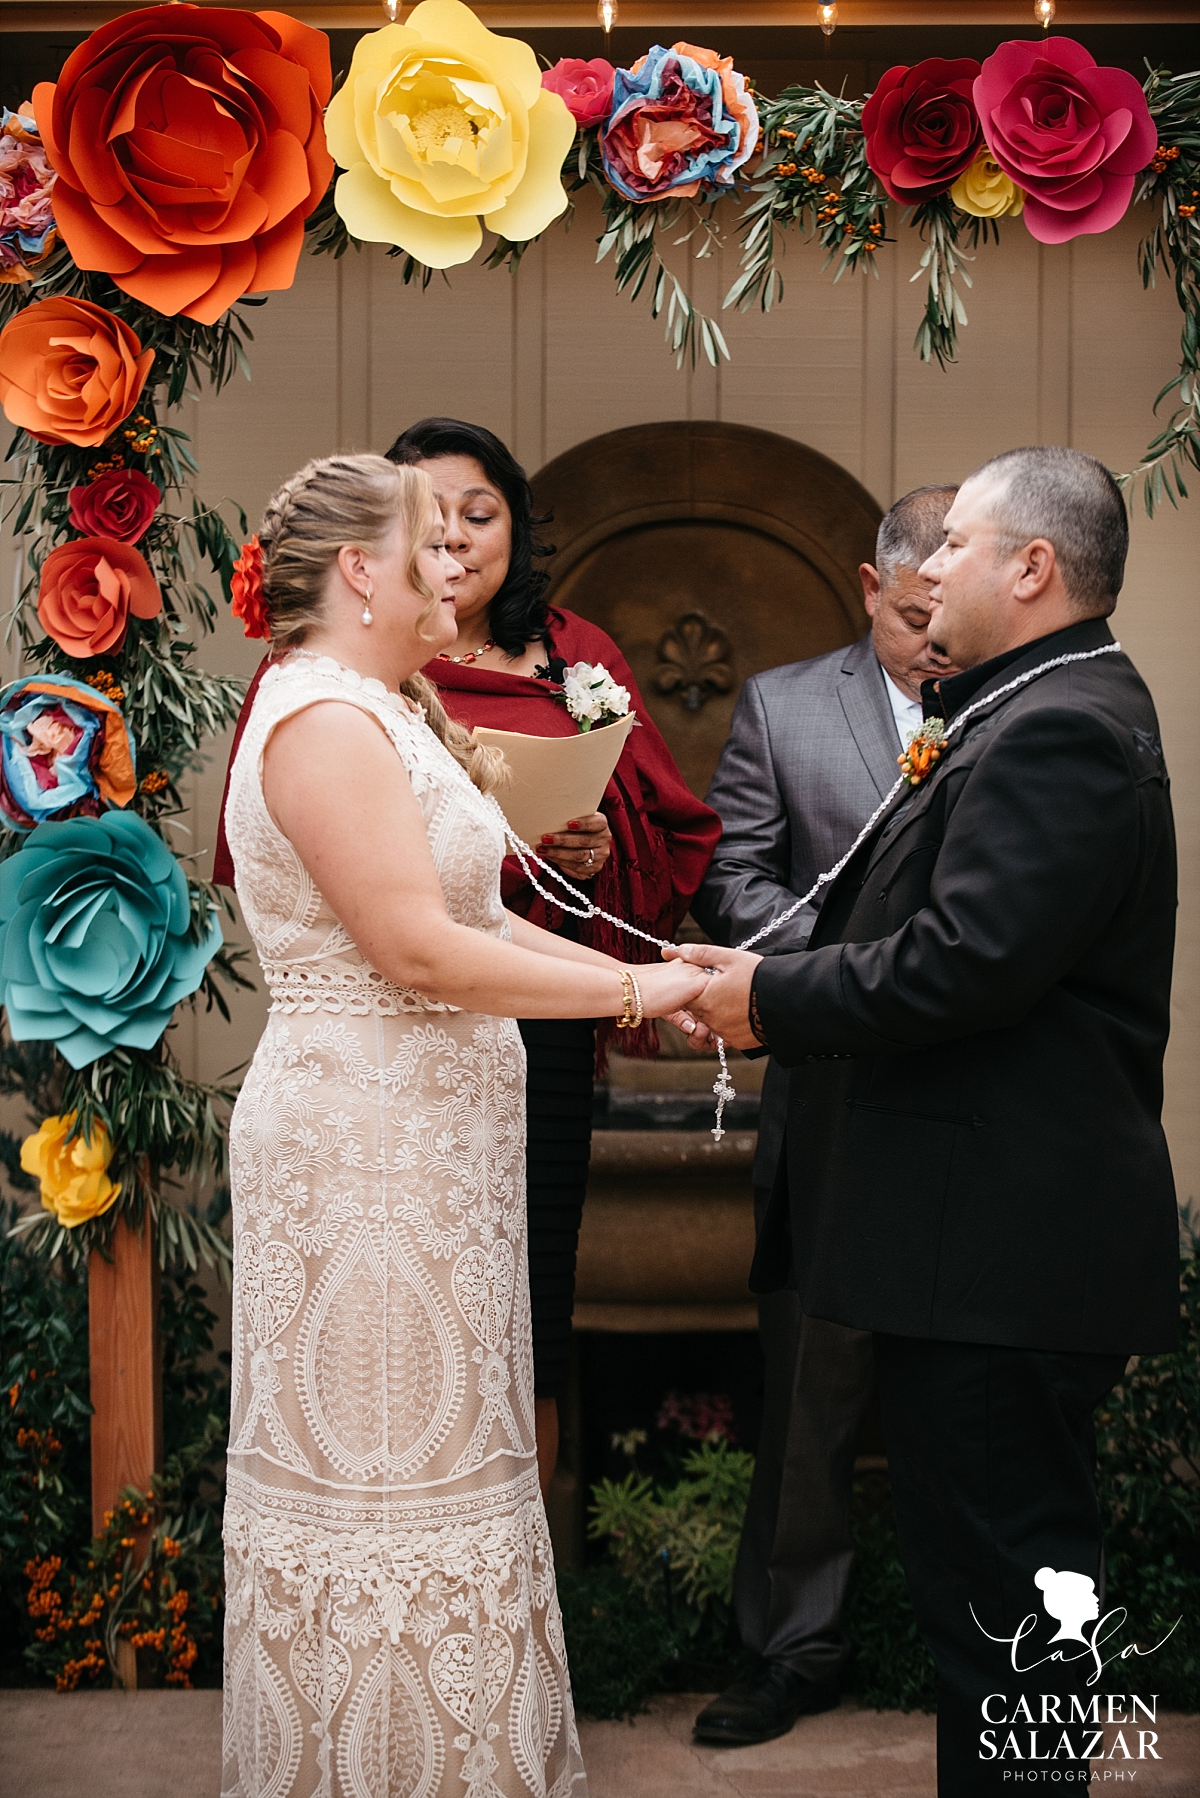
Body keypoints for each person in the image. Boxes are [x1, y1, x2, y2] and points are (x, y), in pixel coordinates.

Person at [669, 447, 1180, 1794]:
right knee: (995, 1603)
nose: (927, 564)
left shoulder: (1060, 721)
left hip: (1002, 1253)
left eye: (955, 543)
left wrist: (767, 997)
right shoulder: (1017, 703)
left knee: (1011, 1614)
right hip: (977, 1248)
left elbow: (966, 961)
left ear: (1033, 569)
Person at [219, 452, 709, 1798]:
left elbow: (483, 919)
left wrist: (668, 963)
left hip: (439, 1159)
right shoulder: (319, 718)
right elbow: (418, 953)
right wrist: (635, 987)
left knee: (450, 1469)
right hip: (363, 1150)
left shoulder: (390, 706)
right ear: (361, 572)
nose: (456, 568)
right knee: (382, 1490)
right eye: (429, 544)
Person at [387, 417, 721, 1499]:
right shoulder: (362, 661)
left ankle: (520, 1575)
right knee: (412, 1302)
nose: (455, 536)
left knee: (532, 1301)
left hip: (543, 1025)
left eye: (479, 513)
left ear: (516, 529)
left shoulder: (577, 654)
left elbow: (656, 821)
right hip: (406, 1021)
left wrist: (598, 839)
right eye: (429, 513)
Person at [689, 486, 959, 1746]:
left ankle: (984, 1642)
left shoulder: (1018, 705)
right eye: (915, 616)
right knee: (809, 1385)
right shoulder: (787, 705)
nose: (935, 641)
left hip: (978, 1095)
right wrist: (850, 967)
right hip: (831, 1091)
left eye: (951, 614)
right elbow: (731, 878)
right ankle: (793, 1645)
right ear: (871, 588)